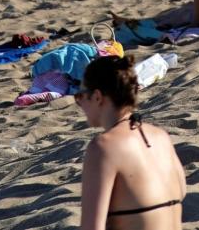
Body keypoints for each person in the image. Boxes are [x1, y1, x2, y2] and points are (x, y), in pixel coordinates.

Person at [76, 55, 185, 230]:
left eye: (80, 96)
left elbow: (92, 227)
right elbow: (182, 192)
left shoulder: (103, 147)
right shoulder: (161, 136)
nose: (79, 103)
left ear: (97, 96)